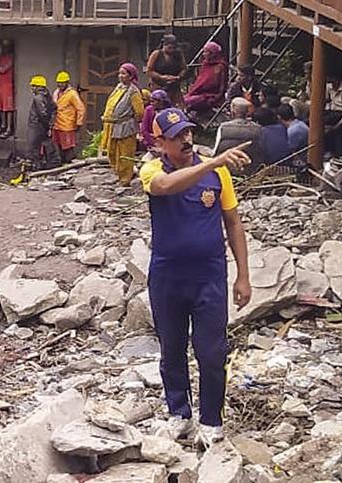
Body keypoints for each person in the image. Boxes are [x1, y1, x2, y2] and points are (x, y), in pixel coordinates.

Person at [140, 108, 252, 448]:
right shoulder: (152, 169)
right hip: (167, 276)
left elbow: (233, 223)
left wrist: (243, 275)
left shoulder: (217, 176)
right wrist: (212, 162)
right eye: (177, 136)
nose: (186, 140)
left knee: (212, 351)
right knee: (171, 349)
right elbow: (164, 187)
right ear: (160, 143)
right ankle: (179, 414)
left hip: (210, 277)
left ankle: (211, 422)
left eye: (188, 132)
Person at [100, 63, 145, 185]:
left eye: (123, 73)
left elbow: (140, 112)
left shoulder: (133, 91)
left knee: (125, 153)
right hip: (113, 126)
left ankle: (125, 178)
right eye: (119, 73)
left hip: (125, 126)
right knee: (112, 152)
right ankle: (118, 173)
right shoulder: (119, 87)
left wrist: (129, 121)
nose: (120, 76)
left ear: (131, 76)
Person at [213, 98, 264, 174]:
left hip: (228, 169)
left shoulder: (223, 127)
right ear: (247, 112)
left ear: (233, 110)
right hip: (251, 169)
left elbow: (215, 151)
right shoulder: (258, 128)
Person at [184, 42, 228, 116]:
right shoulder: (205, 64)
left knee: (188, 101)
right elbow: (201, 80)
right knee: (183, 100)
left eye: (206, 52)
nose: (204, 54)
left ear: (213, 54)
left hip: (210, 95)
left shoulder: (220, 66)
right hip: (200, 93)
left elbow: (222, 85)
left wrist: (216, 97)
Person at [52, 71, 87, 163]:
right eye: (58, 83)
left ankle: (70, 165)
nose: (60, 85)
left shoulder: (72, 94)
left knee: (68, 148)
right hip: (57, 124)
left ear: (67, 83)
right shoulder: (56, 93)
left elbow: (81, 108)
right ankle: (62, 165)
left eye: (62, 83)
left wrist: (79, 122)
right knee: (59, 147)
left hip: (67, 125)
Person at [145, 35, 186, 105]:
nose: (172, 50)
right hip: (158, 85)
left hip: (174, 87)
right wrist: (161, 77)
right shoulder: (156, 54)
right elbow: (149, 71)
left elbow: (184, 68)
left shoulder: (178, 54)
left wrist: (178, 77)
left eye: (173, 48)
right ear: (164, 45)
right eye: (169, 47)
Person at [27, 76, 56, 170]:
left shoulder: (38, 98)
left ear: (37, 87)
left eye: (32, 86)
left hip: (36, 127)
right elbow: (54, 109)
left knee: (33, 148)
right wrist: (49, 125)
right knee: (43, 146)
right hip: (42, 127)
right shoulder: (47, 96)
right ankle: (47, 164)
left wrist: (47, 125)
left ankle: (36, 168)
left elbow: (42, 114)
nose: (31, 88)